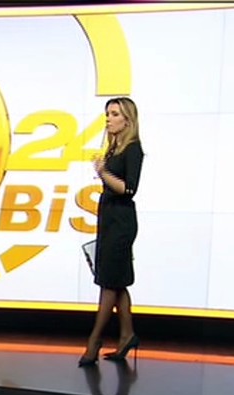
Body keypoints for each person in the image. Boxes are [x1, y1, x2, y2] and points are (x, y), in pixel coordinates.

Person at [79, 97, 144, 367]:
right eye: (107, 113)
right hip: (108, 219)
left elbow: (129, 189)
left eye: (114, 114)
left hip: (121, 222)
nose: (108, 119)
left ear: (127, 120)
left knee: (108, 283)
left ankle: (94, 341)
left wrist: (103, 173)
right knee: (117, 282)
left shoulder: (133, 149)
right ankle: (127, 335)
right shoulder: (113, 148)